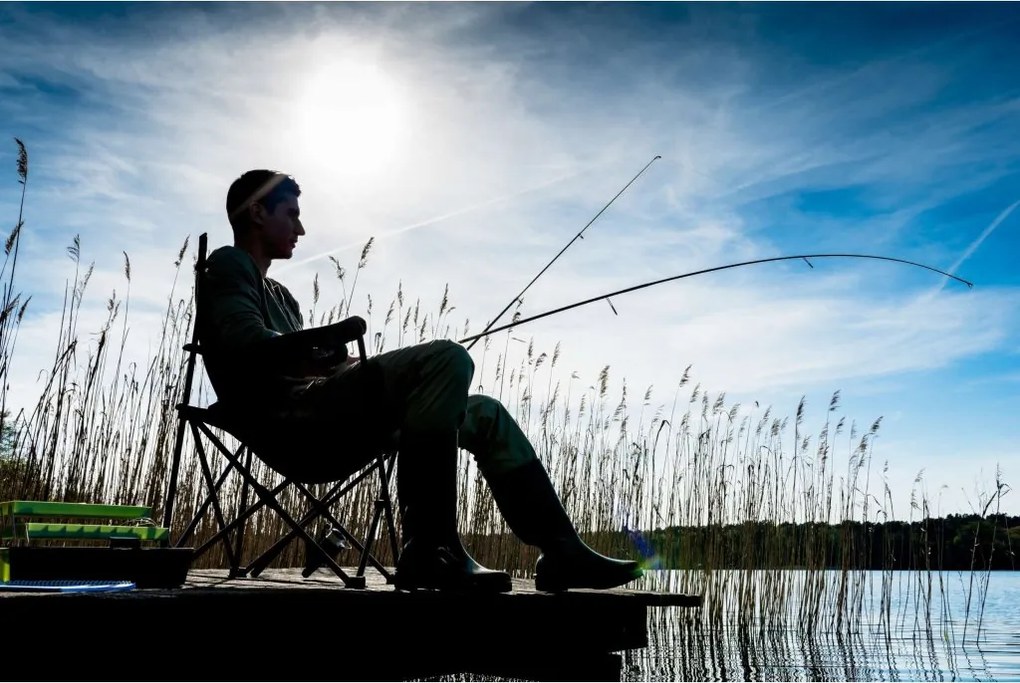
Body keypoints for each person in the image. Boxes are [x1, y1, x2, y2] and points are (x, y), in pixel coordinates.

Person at [197, 169, 644, 593]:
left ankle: (562, 551)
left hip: (325, 413)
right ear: (257, 213)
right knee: (446, 358)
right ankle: (430, 549)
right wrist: (325, 338)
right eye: (291, 213)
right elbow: (245, 345)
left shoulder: (282, 296)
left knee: (485, 414)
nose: (301, 228)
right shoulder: (228, 264)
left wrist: (337, 361)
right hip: (289, 423)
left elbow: (295, 358)